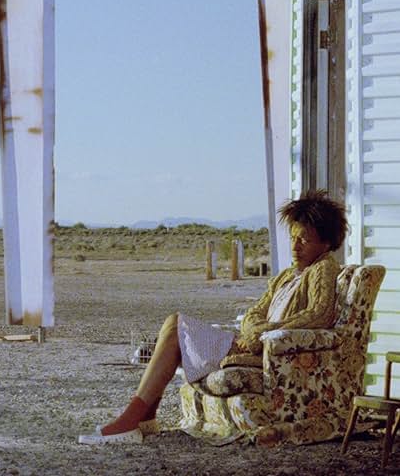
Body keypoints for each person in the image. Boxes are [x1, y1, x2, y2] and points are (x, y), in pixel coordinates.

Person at [78, 190, 348, 444]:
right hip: (253, 340)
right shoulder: (289, 274)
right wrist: (255, 327)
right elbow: (256, 310)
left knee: (175, 326)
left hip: (268, 350)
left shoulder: (322, 268)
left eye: (305, 240)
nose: (295, 246)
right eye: (293, 237)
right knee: (172, 325)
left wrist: (264, 333)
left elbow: (318, 314)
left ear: (325, 242)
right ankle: (143, 418)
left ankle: (132, 419)